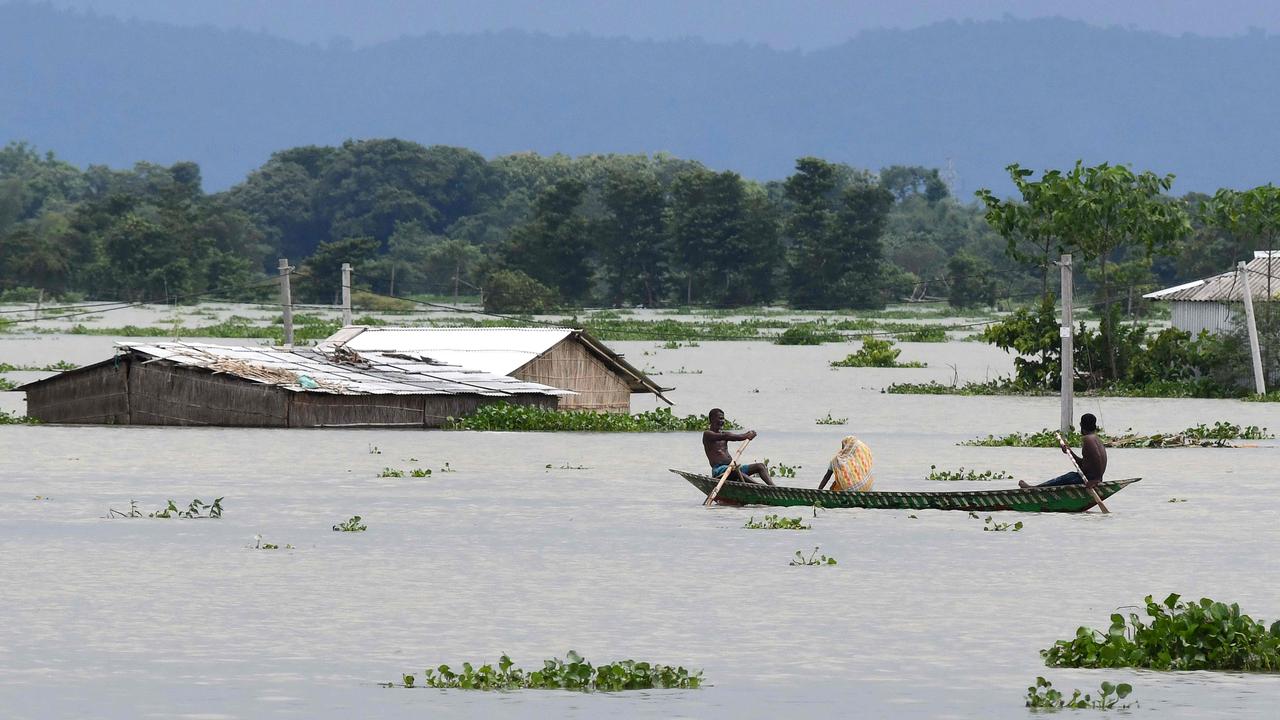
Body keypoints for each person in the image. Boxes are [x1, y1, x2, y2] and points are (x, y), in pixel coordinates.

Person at [1019, 413, 1107, 488]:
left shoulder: (1088, 439)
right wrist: (1069, 451)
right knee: (1071, 475)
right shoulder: (1096, 438)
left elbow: (1097, 457)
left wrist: (1095, 480)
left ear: (1081, 425)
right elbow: (1084, 464)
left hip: (1090, 479)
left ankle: (1033, 489)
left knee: (1068, 477)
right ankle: (1035, 488)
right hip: (1091, 477)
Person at [703, 408, 773, 485]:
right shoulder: (707, 434)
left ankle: (773, 487)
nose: (722, 421)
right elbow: (726, 436)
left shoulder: (724, 434)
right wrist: (746, 436)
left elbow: (730, 436)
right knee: (734, 470)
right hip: (719, 470)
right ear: (712, 419)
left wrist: (747, 434)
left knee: (760, 466)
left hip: (731, 468)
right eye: (720, 418)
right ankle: (759, 486)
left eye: (723, 419)